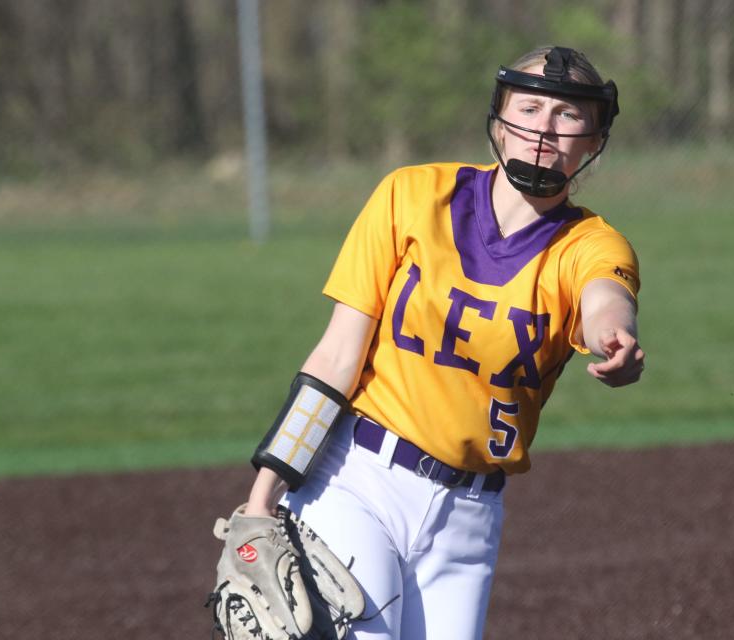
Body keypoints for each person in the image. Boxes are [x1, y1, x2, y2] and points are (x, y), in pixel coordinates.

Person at [240, 45, 644, 640]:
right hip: (358, 481)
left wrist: (618, 333)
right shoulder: (410, 196)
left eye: (568, 115)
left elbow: (604, 294)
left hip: (471, 518)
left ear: (593, 140)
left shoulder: (592, 244)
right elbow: (334, 359)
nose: (543, 129)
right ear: (500, 120)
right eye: (530, 108)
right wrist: (261, 498)